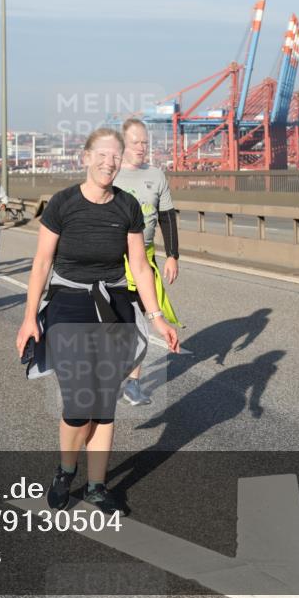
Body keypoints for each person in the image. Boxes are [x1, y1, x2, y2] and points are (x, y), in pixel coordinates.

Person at [15, 128, 180, 516]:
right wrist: (28, 319)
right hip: (68, 306)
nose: (109, 163)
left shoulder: (127, 206)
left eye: (115, 157)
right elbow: (41, 263)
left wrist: (156, 318)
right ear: (85, 158)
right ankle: (65, 470)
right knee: (78, 404)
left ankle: (96, 486)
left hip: (113, 307)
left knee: (104, 405)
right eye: (102, 155)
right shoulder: (63, 203)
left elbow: (139, 265)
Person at [114, 118, 182, 405]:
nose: (142, 147)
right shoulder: (111, 175)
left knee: (139, 324)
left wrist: (173, 255)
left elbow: (167, 217)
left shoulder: (156, 175)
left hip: (146, 259)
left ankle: (133, 382)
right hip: (114, 261)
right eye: (135, 142)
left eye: (145, 142)